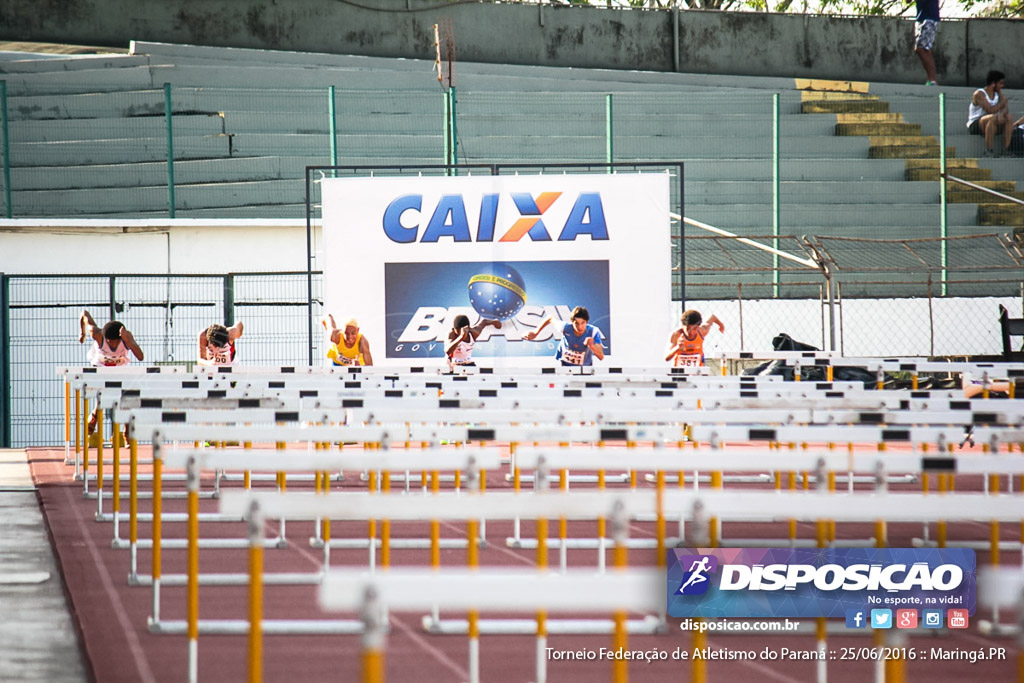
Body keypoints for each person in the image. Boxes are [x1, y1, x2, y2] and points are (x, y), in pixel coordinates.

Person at [79, 310, 144, 440]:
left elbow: (140, 357)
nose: (113, 346)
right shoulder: (97, 334)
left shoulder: (127, 337)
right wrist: (82, 333)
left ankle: (126, 431)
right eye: (110, 342)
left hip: (120, 368)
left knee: (125, 397)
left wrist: (128, 342)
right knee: (105, 393)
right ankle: (95, 415)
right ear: (105, 338)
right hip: (100, 366)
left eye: (116, 342)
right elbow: (84, 314)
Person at [525, 306, 605, 366]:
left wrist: (591, 346)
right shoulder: (565, 327)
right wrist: (536, 332)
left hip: (584, 367)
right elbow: (550, 318)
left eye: (582, 323)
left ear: (587, 322)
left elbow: (601, 356)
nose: (579, 327)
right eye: (576, 323)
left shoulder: (593, 331)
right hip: (564, 365)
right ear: (572, 322)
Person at [967, 70, 1013, 157]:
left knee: (1009, 118)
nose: (1002, 86)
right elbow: (989, 110)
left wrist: (1001, 114)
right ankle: (988, 150)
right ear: (993, 84)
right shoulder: (979, 94)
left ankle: (1006, 150)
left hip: (994, 121)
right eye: (1000, 83)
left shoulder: (998, 93)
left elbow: (1006, 109)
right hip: (976, 123)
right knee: (992, 117)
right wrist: (1001, 104)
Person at [913, 0, 940, 86]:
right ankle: (931, 80)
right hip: (921, 18)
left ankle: (932, 80)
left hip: (929, 18)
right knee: (924, 49)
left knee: (921, 49)